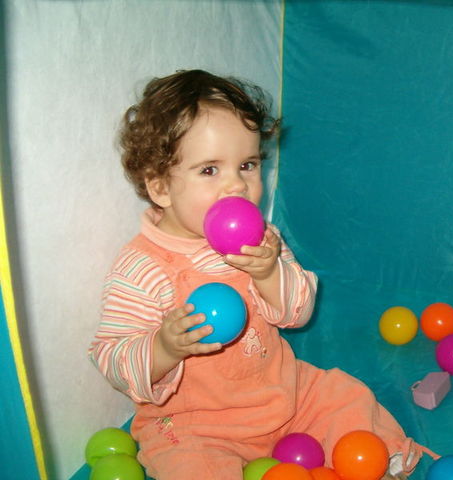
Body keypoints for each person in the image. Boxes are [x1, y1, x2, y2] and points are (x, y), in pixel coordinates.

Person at [89, 69, 432, 479]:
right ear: (161, 187)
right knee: (188, 464)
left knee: (343, 395)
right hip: (195, 424)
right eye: (210, 170)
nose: (237, 185)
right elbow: (112, 356)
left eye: (247, 165)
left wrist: (270, 272)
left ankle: (379, 463)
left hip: (282, 395)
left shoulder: (261, 239)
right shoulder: (142, 267)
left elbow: (298, 312)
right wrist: (164, 347)